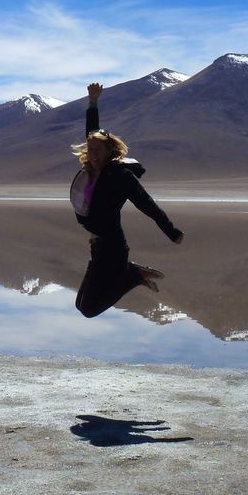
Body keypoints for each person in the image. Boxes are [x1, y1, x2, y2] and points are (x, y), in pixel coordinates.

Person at [70, 82, 184, 318]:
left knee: (89, 309)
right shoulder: (92, 171)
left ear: (109, 152)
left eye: (97, 150)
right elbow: (92, 130)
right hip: (97, 246)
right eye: (89, 149)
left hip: (113, 248)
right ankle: (130, 274)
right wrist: (93, 102)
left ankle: (132, 275)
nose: (92, 153)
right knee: (80, 304)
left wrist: (171, 231)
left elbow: (147, 205)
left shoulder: (120, 176)